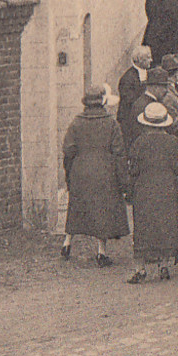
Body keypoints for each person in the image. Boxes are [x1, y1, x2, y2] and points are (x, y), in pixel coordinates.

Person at [61, 87, 130, 267]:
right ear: (102, 102)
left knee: (75, 207)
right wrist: (124, 180)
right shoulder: (111, 123)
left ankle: (67, 243)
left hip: (81, 170)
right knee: (102, 212)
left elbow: (68, 149)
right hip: (105, 172)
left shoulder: (76, 122)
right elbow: (119, 152)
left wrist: (72, 169)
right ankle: (101, 252)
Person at [126, 102, 178, 283]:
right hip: (167, 187)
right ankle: (164, 265)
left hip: (145, 188)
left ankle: (140, 268)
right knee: (166, 225)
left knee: (144, 226)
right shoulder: (173, 142)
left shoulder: (139, 142)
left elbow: (133, 169)